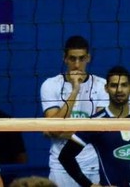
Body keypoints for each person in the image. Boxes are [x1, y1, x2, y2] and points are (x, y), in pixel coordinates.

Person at [40, 35, 108, 186]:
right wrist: (75, 90)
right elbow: (55, 127)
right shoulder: (50, 85)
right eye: (72, 59)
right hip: (60, 167)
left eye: (81, 58)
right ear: (65, 58)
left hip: (92, 164)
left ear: (88, 58)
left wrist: (58, 131)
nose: (77, 65)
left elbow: (100, 131)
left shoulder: (101, 85)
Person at [59, 65, 130, 187]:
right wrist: (89, 185)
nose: (119, 90)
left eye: (124, 85)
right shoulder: (96, 122)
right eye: (114, 85)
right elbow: (65, 157)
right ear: (106, 88)